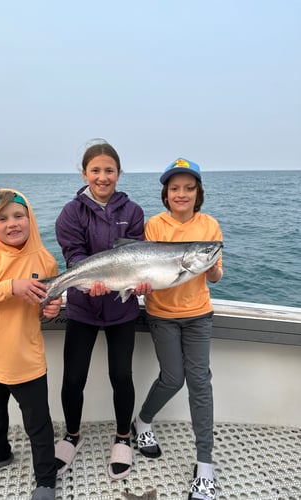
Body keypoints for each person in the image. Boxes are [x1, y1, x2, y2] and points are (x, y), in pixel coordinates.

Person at [54, 140, 149, 480]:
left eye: (109, 170)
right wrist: (87, 279)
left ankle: (123, 437)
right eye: (96, 170)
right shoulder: (71, 212)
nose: (103, 176)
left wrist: (142, 281)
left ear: (119, 174)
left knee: (121, 376)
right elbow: (73, 255)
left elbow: (139, 255)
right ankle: (72, 436)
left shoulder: (133, 212)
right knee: (73, 377)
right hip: (83, 307)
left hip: (122, 309)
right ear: (85, 173)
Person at [0, 189, 62, 500]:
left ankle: (45, 479)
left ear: (29, 217)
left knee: (38, 426)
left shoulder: (45, 260)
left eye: (19, 215)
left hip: (27, 361)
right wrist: (10, 287)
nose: (12, 224)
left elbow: (46, 309)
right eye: (1, 218)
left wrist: (51, 311)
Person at [132, 158, 223, 500]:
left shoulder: (210, 226)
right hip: (162, 314)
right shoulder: (155, 225)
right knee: (173, 378)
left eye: (188, 188)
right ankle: (142, 421)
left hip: (199, 314)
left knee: (200, 382)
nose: (181, 194)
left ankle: (205, 466)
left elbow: (216, 274)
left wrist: (211, 266)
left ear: (198, 192)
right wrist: (141, 285)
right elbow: (150, 270)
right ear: (166, 193)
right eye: (174, 188)